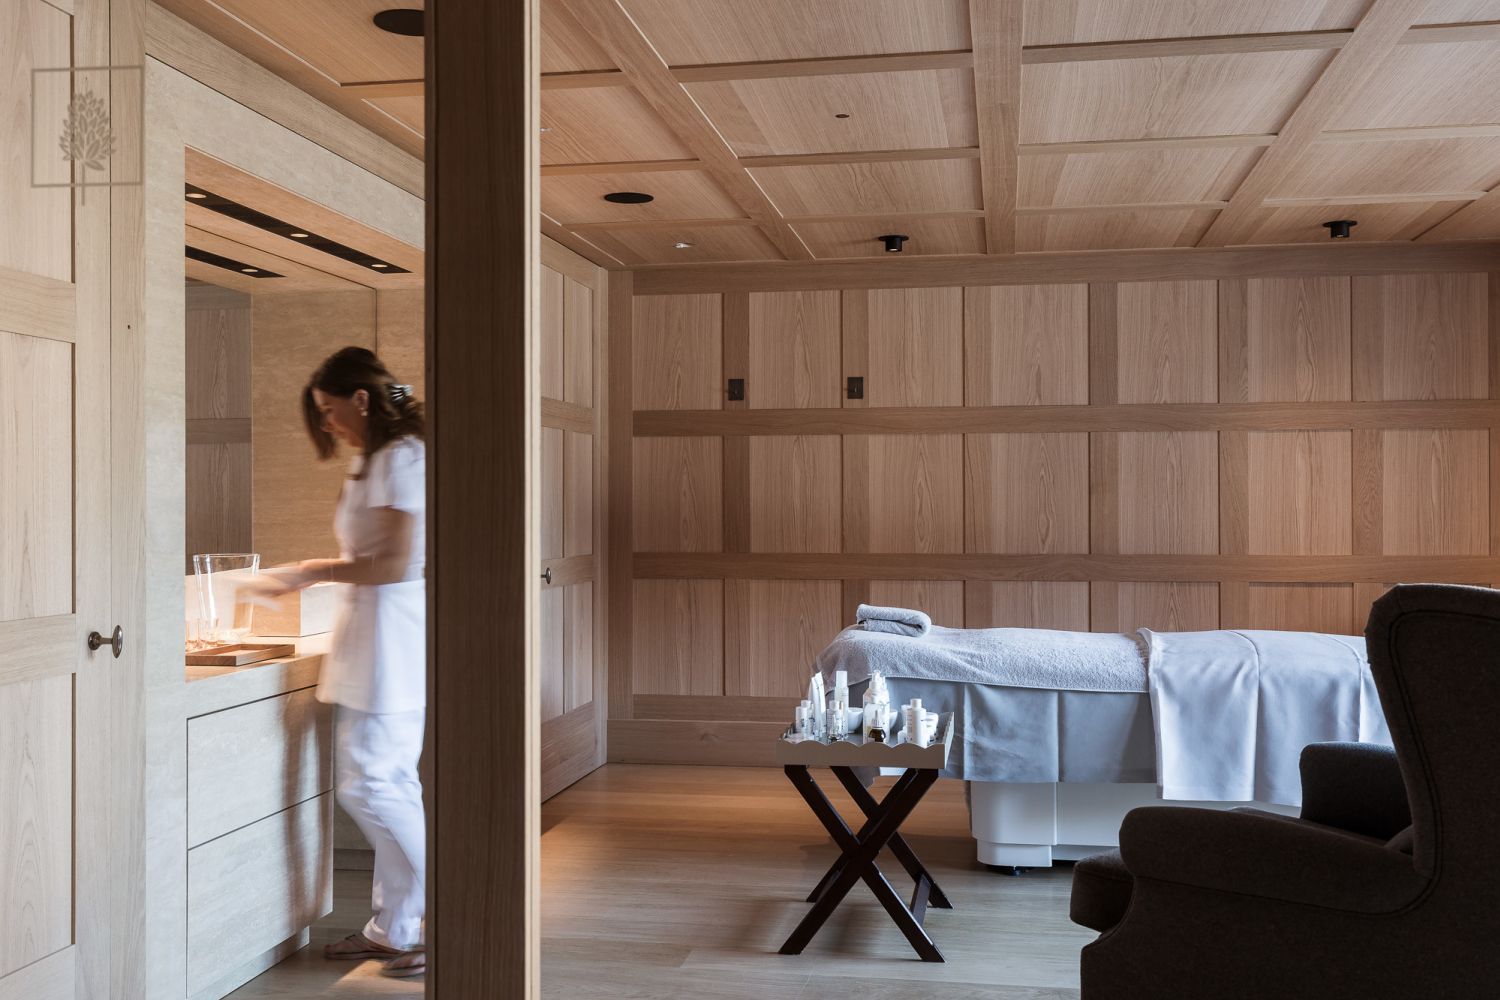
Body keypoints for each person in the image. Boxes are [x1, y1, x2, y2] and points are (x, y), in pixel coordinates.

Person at [252, 346, 427, 978]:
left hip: (392, 638)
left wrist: (308, 572)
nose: (326, 423)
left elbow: (394, 564)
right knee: (388, 781)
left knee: (371, 783)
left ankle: (451, 912)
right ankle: (395, 928)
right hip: (375, 636)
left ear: (361, 398)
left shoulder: (401, 457)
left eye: (329, 410)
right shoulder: (377, 459)